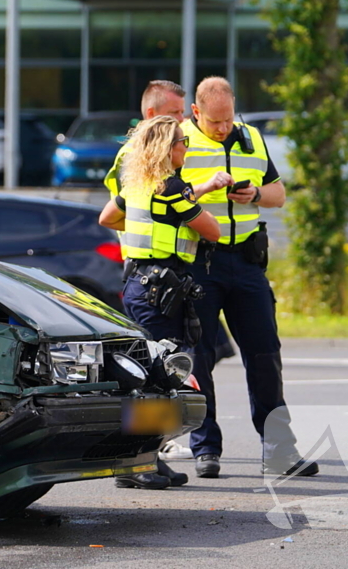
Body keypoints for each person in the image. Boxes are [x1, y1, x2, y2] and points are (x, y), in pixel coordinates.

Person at [179, 76, 317, 479]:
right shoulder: (179, 140)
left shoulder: (252, 138)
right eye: (215, 121)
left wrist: (254, 194)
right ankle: (205, 448)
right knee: (199, 358)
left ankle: (279, 450)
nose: (224, 128)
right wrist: (205, 190)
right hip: (200, 262)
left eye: (228, 119)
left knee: (265, 355)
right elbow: (166, 198)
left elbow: (279, 194)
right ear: (196, 112)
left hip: (248, 262)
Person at [100, 115, 221, 490]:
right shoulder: (171, 187)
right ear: (168, 148)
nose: (187, 147)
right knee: (158, 377)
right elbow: (213, 230)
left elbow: (107, 218)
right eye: (182, 142)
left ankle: (146, 459)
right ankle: (133, 464)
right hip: (160, 289)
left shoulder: (136, 185)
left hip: (141, 284)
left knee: (152, 375)